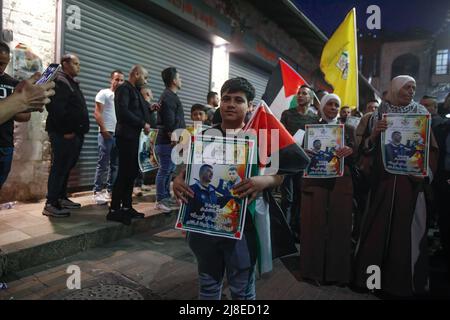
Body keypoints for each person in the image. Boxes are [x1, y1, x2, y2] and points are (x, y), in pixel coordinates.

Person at [173, 77, 285, 300]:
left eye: (238, 100)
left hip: (243, 229)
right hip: (204, 228)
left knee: (242, 291)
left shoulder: (259, 140)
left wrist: (264, 182)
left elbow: (279, 176)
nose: (231, 104)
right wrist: (177, 180)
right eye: (226, 99)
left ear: (249, 106)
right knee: (208, 286)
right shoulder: (202, 138)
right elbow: (185, 171)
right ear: (219, 103)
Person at [354, 75, 439, 297]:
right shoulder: (378, 115)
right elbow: (365, 150)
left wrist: (425, 174)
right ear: (394, 89)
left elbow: (431, 149)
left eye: (414, 87)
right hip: (381, 182)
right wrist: (374, 134)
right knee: (376, 231)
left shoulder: (421, 114)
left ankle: (400, 285)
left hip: (409, 184)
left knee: (406, 233)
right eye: (406, 87)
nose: (411, 91)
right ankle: (372, 281)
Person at [299, 93, 355, 286]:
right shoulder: (308, 129)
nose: (333, 108)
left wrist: (350, 151)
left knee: (339, 227)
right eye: (329, 104)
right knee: (313, 225)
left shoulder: (347, 129)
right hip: (315, 182)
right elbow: (296, 154)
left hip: (340, 182)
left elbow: (358, 153)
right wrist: (302, 151)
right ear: (321, 107)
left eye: (336, 105)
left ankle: (336, 274)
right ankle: (312, 271)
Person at [43, 54, 90, 218]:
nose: (79, 67)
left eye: (79, 64)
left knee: (66, 167)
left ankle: (61, 197)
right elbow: (56, 108)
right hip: (64, 133)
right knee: (59, 167)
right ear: (65, 64)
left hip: (74, 133)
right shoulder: (60, 81)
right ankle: (51, 203)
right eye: (76, 63)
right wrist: (65, 131)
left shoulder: (70, 82)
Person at [108, 65, 151, 225]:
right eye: (145, 77)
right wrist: (142, 123)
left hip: (134, 137)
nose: (145, 81)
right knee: (124, 173)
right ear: (137, 74)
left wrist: (151, 109)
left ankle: (126, 207)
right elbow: (123, 111)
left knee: (131, 173)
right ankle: (114, 209)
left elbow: (141, 110)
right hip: (126, 136)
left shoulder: (135, 91)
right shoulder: (124, 88)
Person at [280, 85, 319, 242]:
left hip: (304, 163)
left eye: (304, 93)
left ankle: (296, 230)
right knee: (287, 198)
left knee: (300, 198)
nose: (300, 96)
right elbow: (281, 134)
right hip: (287, 161)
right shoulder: (287, 114)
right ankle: (283, 232)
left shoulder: (315, 119)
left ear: (310, 98)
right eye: (299, 93)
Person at [0, 41, 32, 188]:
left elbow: (26, 116)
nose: (1, 67)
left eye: (4, 63)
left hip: (6, 143)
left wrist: (11, 109)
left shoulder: (13, 83)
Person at [155, 67, 186, 213]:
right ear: (174, 80)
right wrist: (173, 138)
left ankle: (166, 197)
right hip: (167, 142)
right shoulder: (168, 97)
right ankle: (160, 199)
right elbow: (168, 120)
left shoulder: (171, 96)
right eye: (179, 77)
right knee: (165, 170)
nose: (181, 80)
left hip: (171, 141)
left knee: (169, 170)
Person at [92, 70, 124, 205]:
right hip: (107, 133)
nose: (119, 82)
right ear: (111, 80)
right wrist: (103, 130)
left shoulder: (121, 97)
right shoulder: (104, 93)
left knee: (115, 165)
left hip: (118, 134)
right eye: (116, 79)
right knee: (103, 164)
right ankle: (97, 191)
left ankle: (110, 190)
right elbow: (97, 113)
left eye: (121, 80)